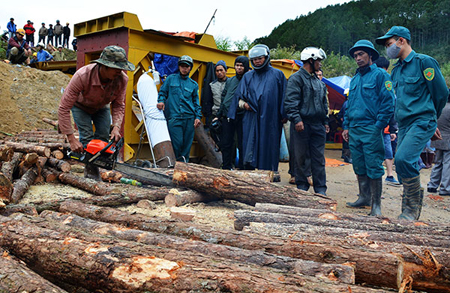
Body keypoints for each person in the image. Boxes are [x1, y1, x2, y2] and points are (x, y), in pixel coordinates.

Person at [376, 26, 449, 220]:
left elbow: (441, 94)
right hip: (405, 124)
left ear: (401, 41)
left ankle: (410, 210)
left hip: (421, 120)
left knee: (403, 159)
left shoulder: (424, 62)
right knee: (402, 164)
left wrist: (432, 120)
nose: (387, 49)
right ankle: (410, 209)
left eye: (389, 44)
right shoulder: (396, 70)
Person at [58, 45, 135, 180]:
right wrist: (71, 139)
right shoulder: (82, 76)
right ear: (104, 66)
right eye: (116, 68)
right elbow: (64, 107)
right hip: (81, 106)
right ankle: (92, 176)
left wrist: (116, 127)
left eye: (122, 68)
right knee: (87, 139)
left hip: (101, 106)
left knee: (103, 138)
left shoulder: (122, 79)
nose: (120, 71)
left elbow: (118, 105)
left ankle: (101, 168)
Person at [342, 40, 395, 216]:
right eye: (355, 55)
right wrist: (346, 126)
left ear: (370, 55)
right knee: (359, 165)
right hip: (355, 129)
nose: (358, 58)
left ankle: (376, 205)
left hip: (371, 128)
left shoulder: (380, 75)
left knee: (373, 166)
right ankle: (364, 197)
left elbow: (388, 103)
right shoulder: (355, 79)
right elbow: (349, 105)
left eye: (361, 54)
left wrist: (378, 126)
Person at [228, 44, 287, 171]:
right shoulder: (248, 76)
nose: (257, 61)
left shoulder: (278, 75)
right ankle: (250, 174)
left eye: (260, 58)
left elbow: (284, 96)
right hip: (251, 118)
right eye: (254, 59)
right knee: (250, 146)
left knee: (269, 146)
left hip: (270, 118)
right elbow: (238, 98)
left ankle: (270, 173)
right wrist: (244, 105)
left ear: (266, 57)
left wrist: (284, 115)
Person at [284, 47, 329, 195]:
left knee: (319, 159)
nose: (320, 64)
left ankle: (320, 190)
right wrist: (297, 119)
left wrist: (326, 122)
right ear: (311, 60)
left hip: (318, 126)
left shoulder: (319, 82)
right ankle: (302, 189)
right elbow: (290, 102)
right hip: (302, 125)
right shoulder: (296, 79)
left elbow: (324, 104)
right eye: (318, 61)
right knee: (301, 158)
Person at [157, 55, 202, 162]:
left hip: (189, 118)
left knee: (186, 145)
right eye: (182, 66)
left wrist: (197, 117)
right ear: (179, 67)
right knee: (177, 143)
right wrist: (161, 101)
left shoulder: (193, 85)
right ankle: (175, 166)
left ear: (190, 68)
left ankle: (183, 169)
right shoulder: (170, 80)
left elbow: (196, 103)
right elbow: (163, 92)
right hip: (175, 118)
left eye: (186, 66)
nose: (184, 68)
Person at [216, 56, 250, 169]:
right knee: (226, 143)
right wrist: (219, 115)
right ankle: (226, 166)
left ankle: (242, 167)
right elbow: (224, 97)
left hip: (242, 116)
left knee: (242, 143)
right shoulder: (230, 80)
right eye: (237, 65)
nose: (239, 68)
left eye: (241, 65)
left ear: (245, 67)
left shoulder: (249, 79)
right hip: (227, 116)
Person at [374, 56, 400, 186]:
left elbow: (391, 108)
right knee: (383, 153)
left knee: (385, 152)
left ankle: (389, 176)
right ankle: (383, 177)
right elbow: (392, 109)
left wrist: (392, 129)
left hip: (380, 128)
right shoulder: (385, 83)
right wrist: (393, 128)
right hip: (379, 128)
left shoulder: (382, 83)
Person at [427, 96, 450, 196]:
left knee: (438, 163)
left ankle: (432, 185)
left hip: (438, 138)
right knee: (447, 164)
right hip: (448, 139)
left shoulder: (441, 107)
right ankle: (445, 188)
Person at [209, 60, 228, 149]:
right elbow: (208, 101)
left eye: (221, 70)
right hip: (215, 114)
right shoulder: (212, 85)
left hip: (227, 116)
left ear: (226, 70)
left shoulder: (231, 83)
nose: (219, 73)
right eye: (217, 71)